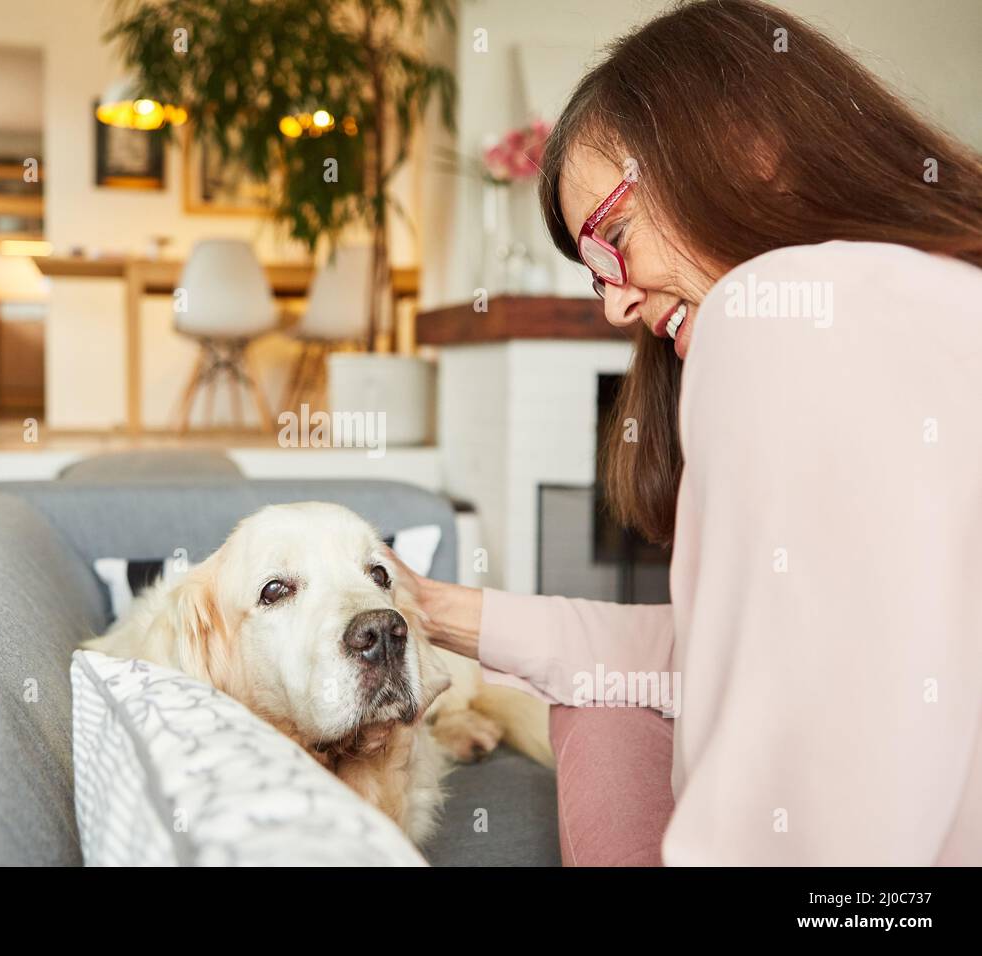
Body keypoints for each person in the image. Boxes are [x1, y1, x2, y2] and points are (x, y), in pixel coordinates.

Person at [392, 0, 982, 865]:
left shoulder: (773, 310)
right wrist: (442, 610)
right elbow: (710, 654)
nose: (614, 302)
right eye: (594, 275)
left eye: (613, 238)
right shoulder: (928, 297)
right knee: (598, 707)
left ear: (751, 149)